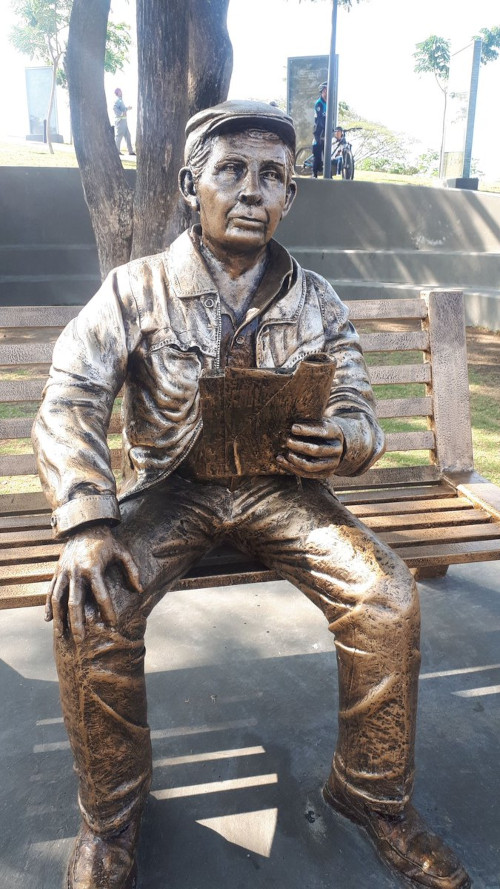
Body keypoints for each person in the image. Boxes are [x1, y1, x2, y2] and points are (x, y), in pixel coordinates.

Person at [32, 100, 470, 889]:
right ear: (189, 184)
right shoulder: (136, 291)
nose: (251, 192)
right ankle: (113, 814)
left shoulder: (318, 300)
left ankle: (371, 795)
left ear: (291, 196)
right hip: (172, 493)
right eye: (231, 171)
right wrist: (87, 519)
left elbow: (359, 408)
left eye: (272, 176)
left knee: (387, 595)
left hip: (284, 494)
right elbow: (69, 397)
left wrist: (344, 439)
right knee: (91, 604)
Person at [113, 87, 135, 156]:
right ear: (117, 93)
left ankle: (130, 151)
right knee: (119, 135)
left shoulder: (120, 100)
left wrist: (127, 108)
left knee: (128, 135)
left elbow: (123, 109)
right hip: (120, 121)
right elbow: (114, 108)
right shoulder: (118, 100)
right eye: (120, 91)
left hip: (124, 121)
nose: (121, 92)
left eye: (121, 91)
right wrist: (121, 114)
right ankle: (116, 151)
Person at [312, 82, 327, 177]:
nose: (326, 92)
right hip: (319, 131)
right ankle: (314, 173)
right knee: (317, 151)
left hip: (326, 131)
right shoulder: (319, 103)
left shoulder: (328, 103)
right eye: (325, 90)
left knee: (326, 152)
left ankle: (327, 173)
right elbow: (320, 120)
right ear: (322, 92)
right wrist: (323, 132)